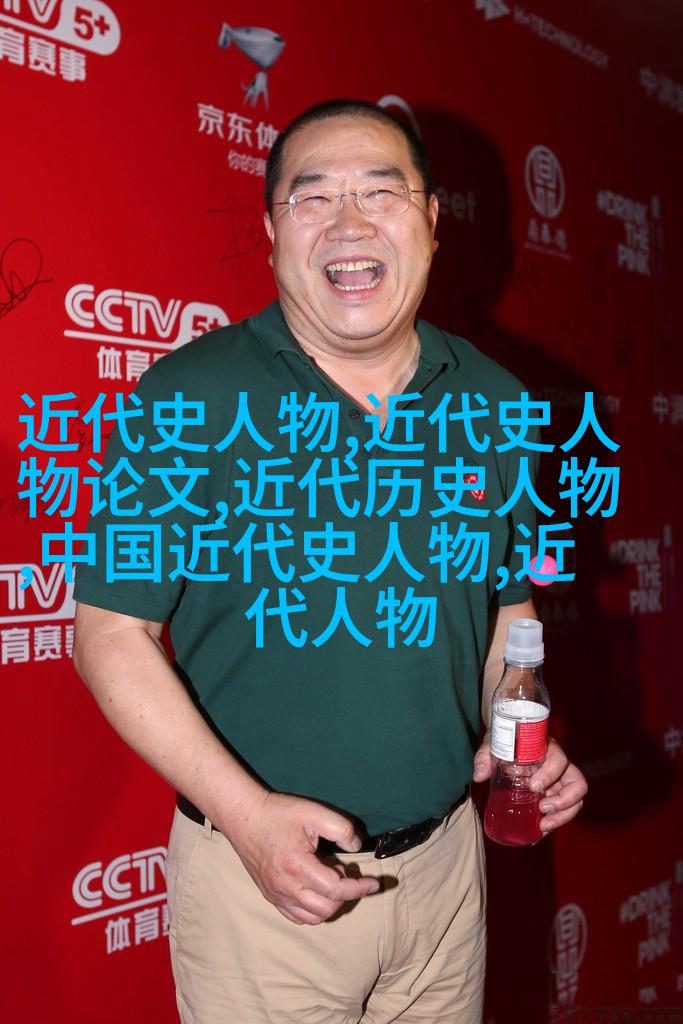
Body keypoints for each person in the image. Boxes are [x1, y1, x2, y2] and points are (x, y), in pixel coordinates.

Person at [73, 99, 587, 1024]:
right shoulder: (190, 396)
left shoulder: (497, 402)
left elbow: (507, 610)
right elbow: (110, 634)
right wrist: (245, 817)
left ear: (431, 222)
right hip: (266, 887)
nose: (349, 223)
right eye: (312, 198)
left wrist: (520, 733)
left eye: (381, 194)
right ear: (272, 232)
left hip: (446, 877)